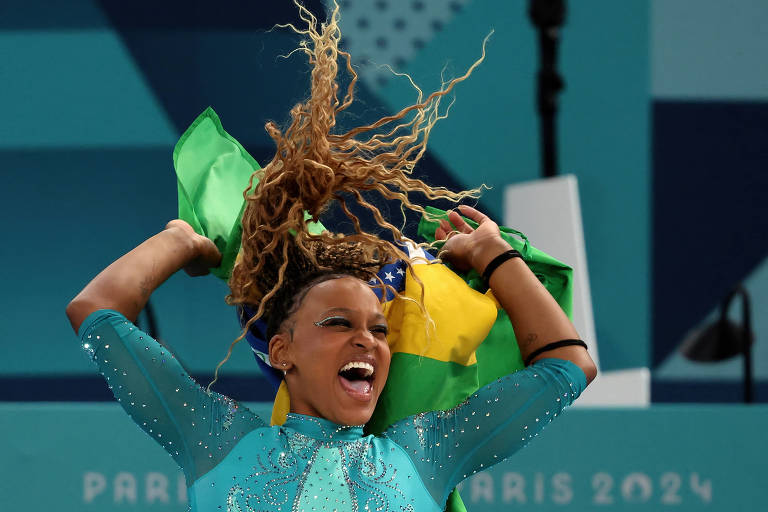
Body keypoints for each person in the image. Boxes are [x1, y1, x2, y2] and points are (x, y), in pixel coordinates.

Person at [66, 4, 596, 510]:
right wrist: (180, 239)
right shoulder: (214, 440)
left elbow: (570, 367)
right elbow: (94, 313)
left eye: (379, 329)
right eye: (339, 322)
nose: (367, 339)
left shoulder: (427, 454)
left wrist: (494, 254)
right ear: (281, 351)